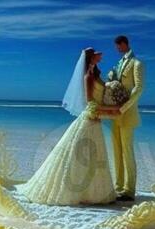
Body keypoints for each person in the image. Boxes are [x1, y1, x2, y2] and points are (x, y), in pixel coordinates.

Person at [19, 48, 117, 206]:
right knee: (81, 154)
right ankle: (77, 191)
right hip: (91, 116)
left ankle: (91, 193)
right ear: (91, 58)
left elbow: (100, 97)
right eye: (97, 53)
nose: (100, 55)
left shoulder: (97, 74)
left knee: (93, 154)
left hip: (96, 118)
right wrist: (109, 111)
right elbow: (90, 101)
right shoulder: (88, 77)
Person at [107, 35, 145, 202]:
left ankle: (129, 190)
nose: (117, 49)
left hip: (127, 113)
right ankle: (119, 186)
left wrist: (124, 108)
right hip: (115, 115)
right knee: (117, 152)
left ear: (124, 44)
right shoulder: (119, 63)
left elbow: (139, 88)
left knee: (127, 152)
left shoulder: (137, 63)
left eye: (118, 46)